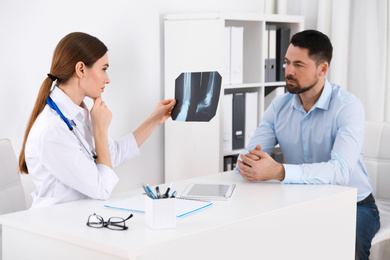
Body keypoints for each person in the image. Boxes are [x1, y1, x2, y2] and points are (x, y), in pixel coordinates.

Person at [237, 30, 380, 260]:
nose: (289, 71)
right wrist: (249, 164)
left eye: (298, 65)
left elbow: (340, 171)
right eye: (286, 62)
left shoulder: (348, 107)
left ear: (322, 69)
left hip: (354, 204)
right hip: (298, 200)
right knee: (258, 238)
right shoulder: (278, 106)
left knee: (347, 245)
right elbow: (248, 157)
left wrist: (279, 171)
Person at [19, 32, 176, 208]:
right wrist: (100, 130)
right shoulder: (52, 130)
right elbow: (102, 188)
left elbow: (111, 155)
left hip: (78, 219)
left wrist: (153, 120)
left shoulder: (76, 114)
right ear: (80, 69)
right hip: (56, 225)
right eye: (104, 69)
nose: (107, 80)